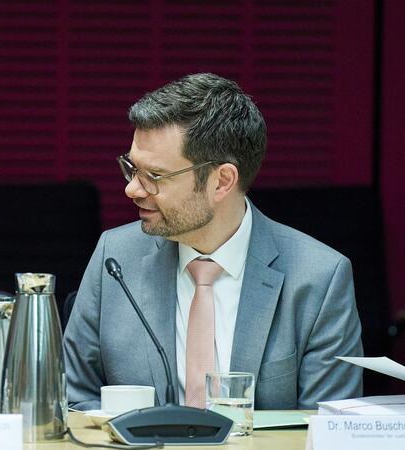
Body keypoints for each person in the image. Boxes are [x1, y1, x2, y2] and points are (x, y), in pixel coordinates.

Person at [63, 73, 363, 411]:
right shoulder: (115, 258)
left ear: (222, 181)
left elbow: (330, 431)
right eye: (132, 168)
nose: (132, 189)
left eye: (155, 176)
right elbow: (72, 401)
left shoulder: (319, 278)